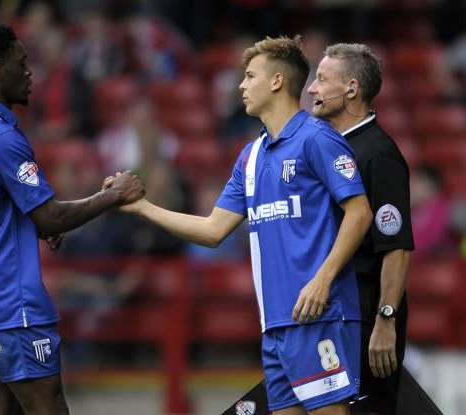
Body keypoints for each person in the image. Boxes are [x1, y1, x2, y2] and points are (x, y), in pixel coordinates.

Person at [111, 35, 373, 414]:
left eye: (250, 76)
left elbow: (360, 212)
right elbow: (213, 230)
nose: (241, 85)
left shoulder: (317, 139)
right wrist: (142, 208)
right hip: (276, 326)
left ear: (277, 82)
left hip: (320, 315)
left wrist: (322, 279)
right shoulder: (249, 157)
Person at [0, 22, 144, 415]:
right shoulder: (0, 138)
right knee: (47, 407)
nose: (30, 71)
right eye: (21, 62)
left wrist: (29, 225)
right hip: (9, 303)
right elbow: (50, 216)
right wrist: (113, 195)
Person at [307, 43, 415, 415]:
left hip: (368, 313)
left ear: (351, 89)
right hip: (331, 309)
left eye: (321, 79)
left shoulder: (378, 154)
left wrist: (386, 321)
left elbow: (396, 247)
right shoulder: (329, 146)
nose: (311, 89)